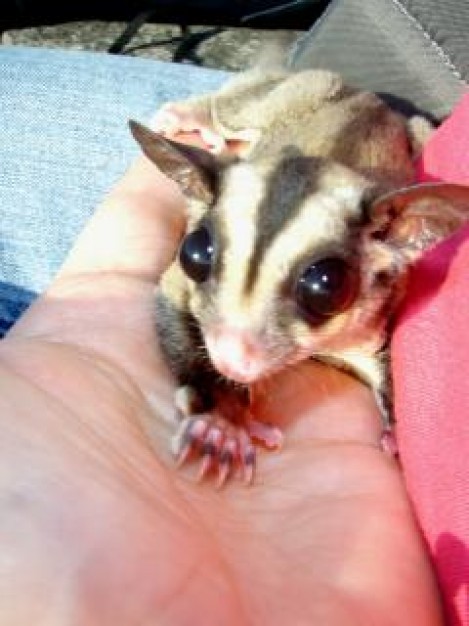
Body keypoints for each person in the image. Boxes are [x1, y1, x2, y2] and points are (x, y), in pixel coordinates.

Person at [0, 45, 446, 624]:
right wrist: (213, 116)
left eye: (320, 287)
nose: (234, 349)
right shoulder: (231, 199)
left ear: (398, 239)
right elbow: (176, 295)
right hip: (311, 114)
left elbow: (380, 361)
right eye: (202, 256)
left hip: (386, 152)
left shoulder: (382, 272)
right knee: (308, 88)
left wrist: (398, 420)